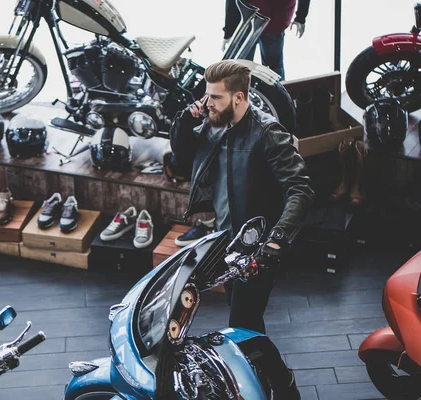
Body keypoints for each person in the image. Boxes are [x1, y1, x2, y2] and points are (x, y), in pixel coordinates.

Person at [170, 58, 313, 399]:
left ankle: (281, 385)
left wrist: (276, 241)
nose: (208, 104)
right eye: (206, 97)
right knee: (245, 324)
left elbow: (301, 188)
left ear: (238, 97)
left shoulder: (266, 131)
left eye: (215, 97)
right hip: (225, 244)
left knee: (242, 325)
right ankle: (266, 381)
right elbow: (182, 156)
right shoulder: (213, 123)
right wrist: (182, 121)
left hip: (256, 250)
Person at [222, 0, 311, 80]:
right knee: (244, 68)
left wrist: (229, 31)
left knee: (244, 68)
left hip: (266, 20)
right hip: (261, 19)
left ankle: (278, 96)